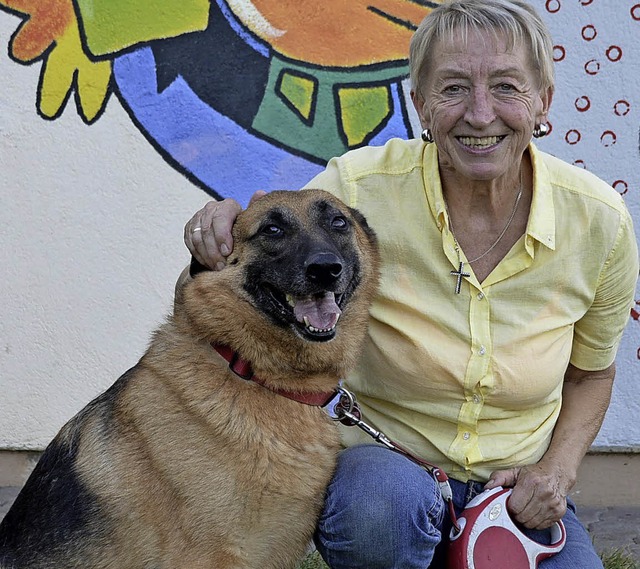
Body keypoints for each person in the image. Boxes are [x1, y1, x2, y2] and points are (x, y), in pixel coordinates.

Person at [183, 1, 639, 567]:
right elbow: (276, 240)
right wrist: (220, 227)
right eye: (452, 89)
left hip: (514, 493)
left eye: (505, 87)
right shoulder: (356, 190)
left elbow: (593, 373)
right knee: (379, 510)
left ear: (543, 100)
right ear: (420, 104)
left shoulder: (599, 220)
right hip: (387, 472)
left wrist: (557, 472)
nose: (479, 114)